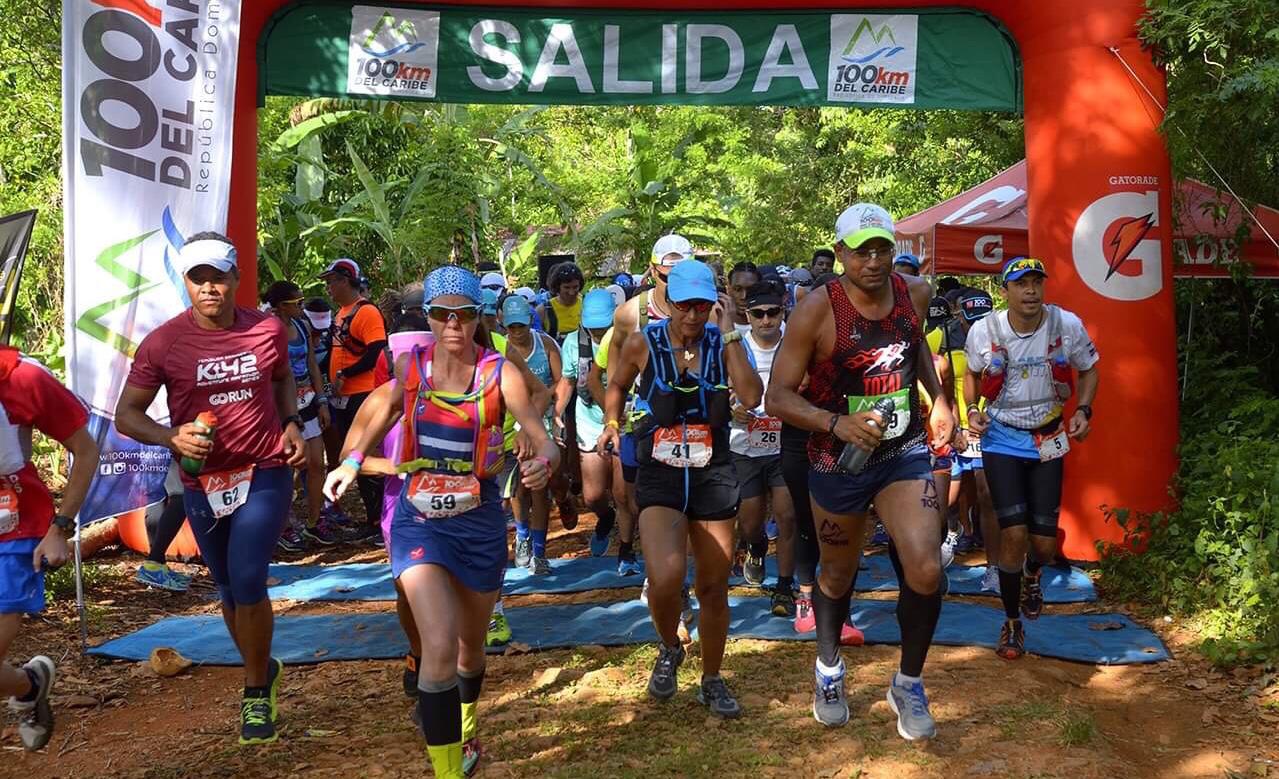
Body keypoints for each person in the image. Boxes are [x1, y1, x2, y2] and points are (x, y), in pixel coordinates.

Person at [324, 266, 558, 778]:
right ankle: (448, 771)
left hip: (478, 525)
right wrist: (352, 461)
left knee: (469, 651)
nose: (452, 324)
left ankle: (466, 727)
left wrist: (541, 462)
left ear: (479, 317)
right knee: (438, 642)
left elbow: (543, 438)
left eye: (464, 314)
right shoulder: (409, 369)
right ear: (427, 317)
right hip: (418, 522)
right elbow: (371, 417)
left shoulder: (502, 373)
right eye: (441, 314)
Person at [767, 203, 954, 741]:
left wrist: (938, 398)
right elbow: (776, 396)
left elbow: (914, 347)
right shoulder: (815, 310)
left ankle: (909, 682)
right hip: (837, 458)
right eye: (861, 250)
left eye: (882, 249)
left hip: (903, 450)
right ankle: (829, 670)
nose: (873, 261)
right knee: (836, 575)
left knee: (924, 568)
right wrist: (835, 422)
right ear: (841, 252)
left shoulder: (914, 294)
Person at [116, 233, 308, 744]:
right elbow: (127, 414)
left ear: (237, 279)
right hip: (203, 479)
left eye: (218, 277)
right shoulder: (163, 343)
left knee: (247, 578)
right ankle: (262, 669)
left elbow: (282, 378)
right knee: (225, 585)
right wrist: (168, 435)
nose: (209, 288)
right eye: (198, 278)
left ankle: (253, 694)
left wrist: (291, 421)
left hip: (264, 469)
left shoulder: (267, 328)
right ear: (186, 282)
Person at [599, 260, 763, 719]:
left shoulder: (723, 342)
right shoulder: (642, 342)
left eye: (702, 306)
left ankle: (712, 678)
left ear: (715, 304)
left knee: (713, 586)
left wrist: (730, 332)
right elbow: (615, 384)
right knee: (666, 579)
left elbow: (751, 397)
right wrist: (613, 423)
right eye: (684, 305)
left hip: (713, 472)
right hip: (661, 471)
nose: (692, 316)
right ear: (669, 302)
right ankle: (670, 645)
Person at [964, 257, 1099, 660]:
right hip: (1002, 436)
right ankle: (1011, 624)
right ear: (1005, 291)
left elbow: (1090, 368)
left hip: (1049, 435)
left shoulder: (1065, 325)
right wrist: (971, 409)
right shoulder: (984, 330)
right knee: (1013, 533)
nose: (1031, 292)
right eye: (1022, 284)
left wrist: (1084, 410)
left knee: (1041, 544)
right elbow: (971, 373)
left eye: (1037, 283)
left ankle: (1032, 574)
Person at [1, 347, 97, 751]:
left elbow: (86, 451)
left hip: (13, 531)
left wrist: (60, 527)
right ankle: (29, 684)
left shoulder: (20, 378)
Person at [729, 280, 797, 616]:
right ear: (748, 315)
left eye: (773, 312)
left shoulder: (796, 341)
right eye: (759, 313)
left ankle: (784, 587)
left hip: (786, 445)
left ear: (782, 311)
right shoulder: (736, 344)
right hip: (744, 445)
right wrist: (732, 408)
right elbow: (720, 387)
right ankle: (755, 546)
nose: (767, 320)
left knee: (787, 516)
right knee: (751, 519)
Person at [557, 290, 636, 573]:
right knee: (591, 495)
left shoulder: (628, 337)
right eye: (593, 327)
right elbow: (571, 382)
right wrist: (556, 412)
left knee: (623, 492)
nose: (598, 331)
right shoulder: (572, 344)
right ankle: (605, 518)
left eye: (603, 326)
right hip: (591, 421)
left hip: (626, 423)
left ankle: (626, 550)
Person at [263, 281, 337, 550]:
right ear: (282, 306)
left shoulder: (303, 327)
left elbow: (312, 366)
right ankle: (282, 526)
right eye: (297, 303)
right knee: (284, 467)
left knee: (317, 463)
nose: (301, 306)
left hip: (307, 402)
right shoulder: (267, 329)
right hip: (280, 407)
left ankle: (315, 523)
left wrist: (322, 401)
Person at [322, 258, 388, 544]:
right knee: (352, 457)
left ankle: (379, 520)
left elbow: (376, 353)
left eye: (332, 281)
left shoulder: (366, 312)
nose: (328, 287)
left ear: (347, 281)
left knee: (364, 456)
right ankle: (373, 518)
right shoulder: (341, 313)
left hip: (363, 393)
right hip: (344, 396)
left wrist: (345, 373)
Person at [499, 294, 563, 574]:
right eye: (511, 327)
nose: (517, 332)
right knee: (516, 488)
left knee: (540, 487)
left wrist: (553, 409)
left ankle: (539, 551)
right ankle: (522, 534)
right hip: (512, 427)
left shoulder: (545, 344)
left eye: (521, 326)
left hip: (542, 422)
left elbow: (558, 383)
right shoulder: (502, 349)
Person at [135, 462, 196, 591]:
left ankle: (155, 565)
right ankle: (154, 563)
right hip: (167, 447)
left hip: (149, 449)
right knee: (180, 495)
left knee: (156, 495)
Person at [538, 262, 584, 341]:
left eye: (575, 287)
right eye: (566, 287)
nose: (571, 292)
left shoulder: (586, 305)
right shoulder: (544, 310)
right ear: (557, 287)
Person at [727, 262, 761, 334]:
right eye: (737, 289)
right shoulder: (715, 321)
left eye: (751, 290)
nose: (744, 296)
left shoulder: (774, 324)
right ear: (728, 289)